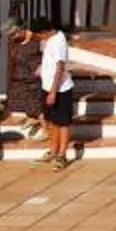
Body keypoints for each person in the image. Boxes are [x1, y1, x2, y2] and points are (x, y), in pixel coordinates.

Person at [37, 22, 78, 167]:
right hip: (47, 87)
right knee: (52, 121)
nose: (39, 38)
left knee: (63, 123)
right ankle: (53, 150)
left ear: (45, 31)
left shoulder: (59, 42)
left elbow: (60, 68)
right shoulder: (50, 40)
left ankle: (62, 155)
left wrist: (53, 92)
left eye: (39, 35)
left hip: (61, 90)